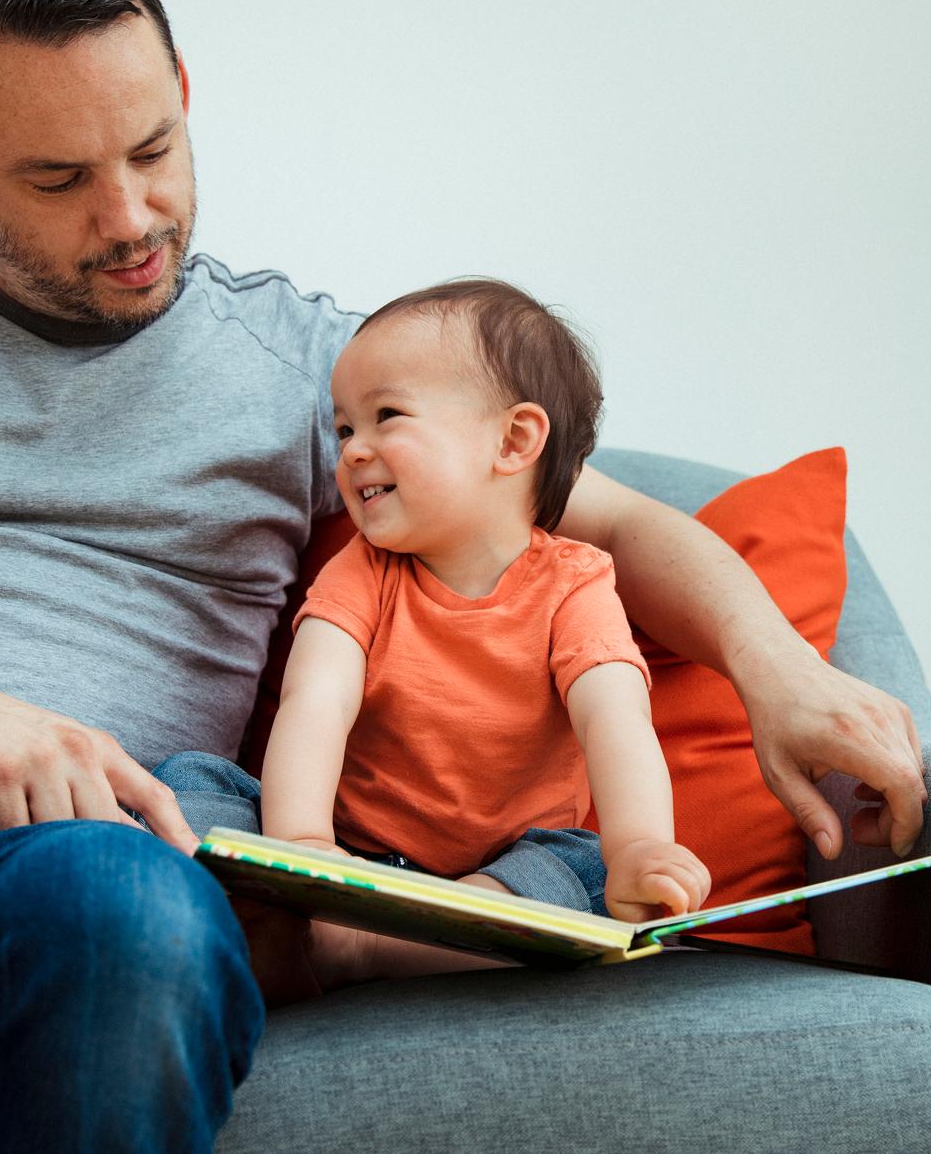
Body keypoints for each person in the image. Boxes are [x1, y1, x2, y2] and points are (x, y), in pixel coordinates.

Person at [0, 0, 924, 1150]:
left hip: (25, 876)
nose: (130, 219)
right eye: (61, 176)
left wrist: (778, 671)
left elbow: (621, 526)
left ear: (183, 94)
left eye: (151, 150)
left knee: (140, 923)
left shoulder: (305, 364)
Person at [260, 278, 712, 987]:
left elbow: (615, 723)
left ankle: (361, 948)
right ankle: (340, 919)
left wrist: (640, 846)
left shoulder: (576, 584)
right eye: (344, 427)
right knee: (192, 782)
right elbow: (314, 702)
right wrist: (303, 842)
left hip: (506, 870)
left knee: (591, 874)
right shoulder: (364, 569)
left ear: (512, 440)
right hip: (357, 857)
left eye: (386, 416)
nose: (350, 451)